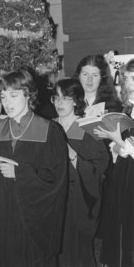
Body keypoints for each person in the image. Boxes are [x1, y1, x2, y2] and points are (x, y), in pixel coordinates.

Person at [0, 69, 68, 267]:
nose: (7, 103)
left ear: (28, 95)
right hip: (0, 217)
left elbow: (57, 180)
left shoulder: (49, 131)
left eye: (13, 95)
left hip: (32, 222)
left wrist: (21, 173)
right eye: (3, 96)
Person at [52, 78, 110, 267]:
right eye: (57, 98)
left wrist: (74, 157)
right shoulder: (47, 128)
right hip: (51, 200)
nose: (60, 103)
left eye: (66, 98)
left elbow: (100, 168)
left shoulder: (88, 129)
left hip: (77, 203)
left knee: (76, 252)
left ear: (76, 101)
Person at [94, 58, 134, 267]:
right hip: (124, 175)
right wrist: (116, 145)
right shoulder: (128, 111)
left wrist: (120, 142)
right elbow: (120, 149)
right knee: (121, 226)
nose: (130, 83)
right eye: (127, 78)